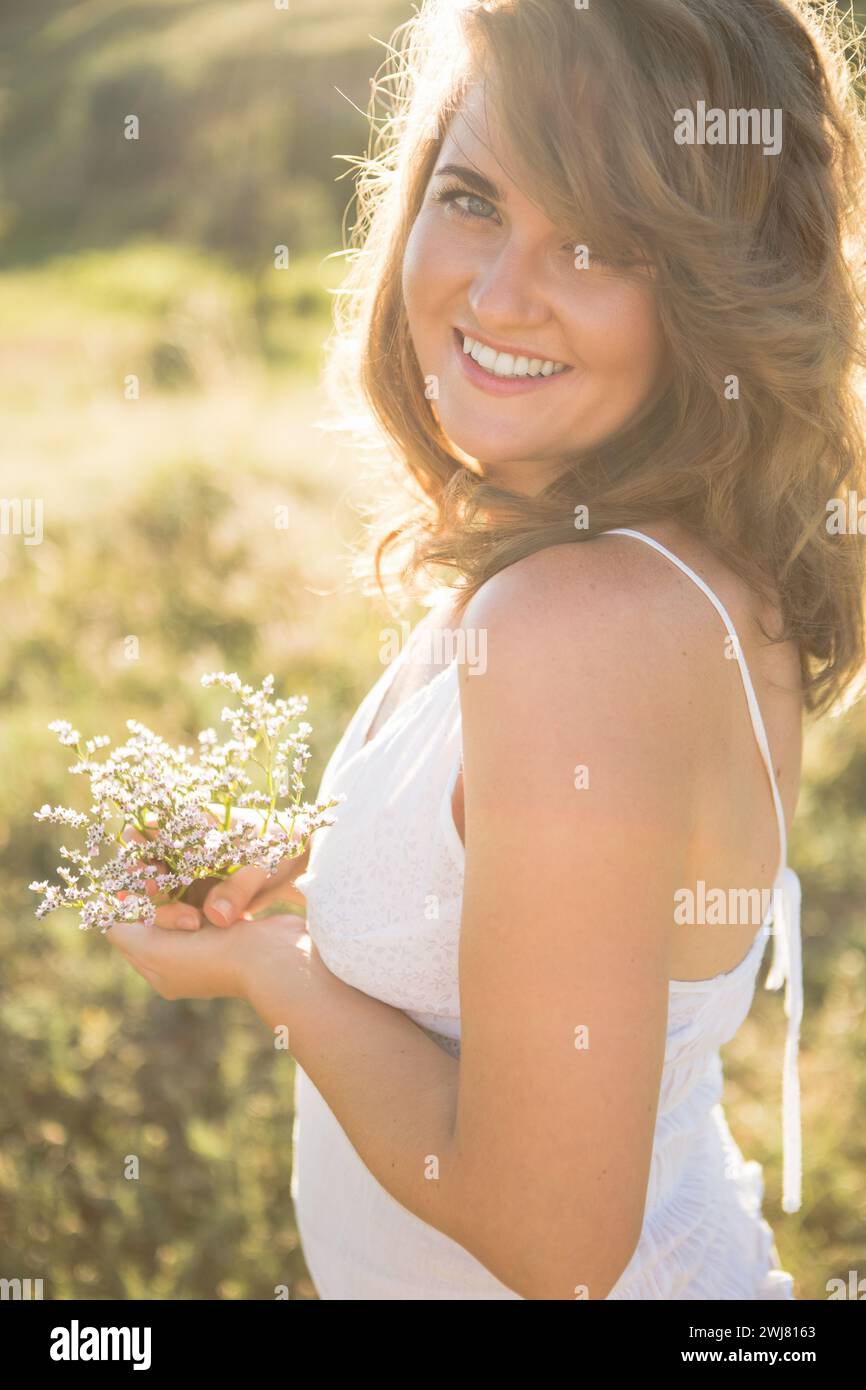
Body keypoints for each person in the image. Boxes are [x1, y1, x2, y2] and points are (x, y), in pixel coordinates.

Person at [108, 0, 866, 1299]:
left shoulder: (575, 624)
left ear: (715, 285)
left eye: (599, 243)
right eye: (471, 197)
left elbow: (550, 1238)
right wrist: (328, 853)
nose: (499, 292)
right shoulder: (639, 553)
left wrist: (268, 966)